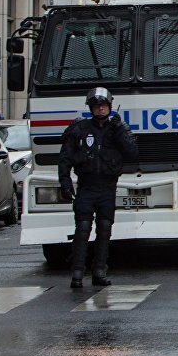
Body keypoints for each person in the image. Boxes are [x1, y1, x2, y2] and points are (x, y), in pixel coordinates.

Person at [58, 87, 138, 289]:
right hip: (86, 187)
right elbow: (65, 158)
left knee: (104, 230)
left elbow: (132, 153)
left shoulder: (117, 128)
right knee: (83, 230)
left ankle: (99, 272)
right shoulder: (79, 129)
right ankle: (77, 274)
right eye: (96, 107)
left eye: (103, 106)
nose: (100, 110)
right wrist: (65, 183)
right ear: (91, 109)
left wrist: (120, 130)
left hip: (107, 188)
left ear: (109, 107)